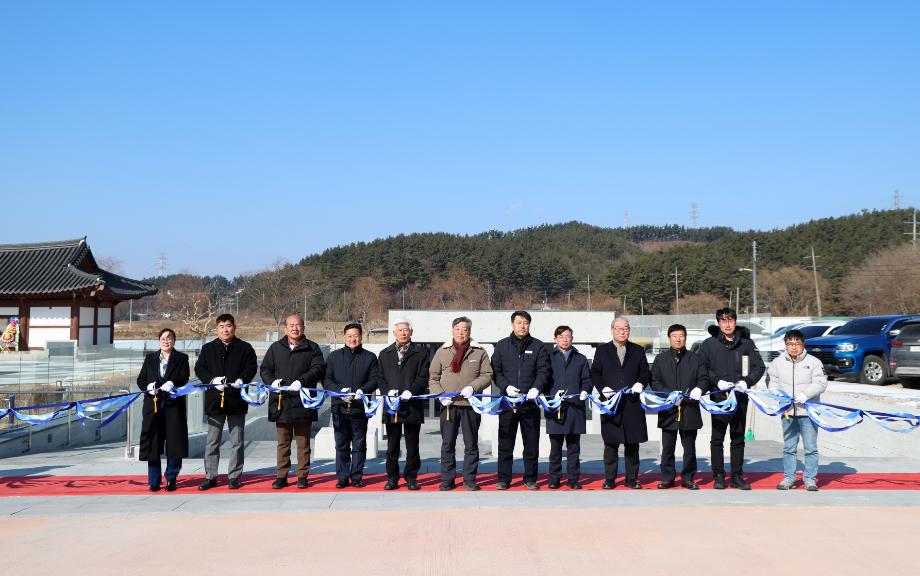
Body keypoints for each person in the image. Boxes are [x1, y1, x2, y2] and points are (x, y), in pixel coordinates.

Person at [698, 307, 766, 490]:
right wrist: (716, 381)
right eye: (723, 321)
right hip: (718, 397)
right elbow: (702, 368)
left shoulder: (746, 343)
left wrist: (747, 381)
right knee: (717, 438)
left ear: (735, 322)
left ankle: (737, 476)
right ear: (718, 323)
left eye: (730, 320)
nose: (727, 324)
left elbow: (758, 367)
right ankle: (718, 475)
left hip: (739, 397)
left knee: (737, 437)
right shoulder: (709, 344)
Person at [260, 314, 325, 490]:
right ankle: (281, 475)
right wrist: (271, 382)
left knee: (303, 442)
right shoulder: (275, 348)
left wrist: (302, 381)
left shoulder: (312, 348)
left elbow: (318, 369)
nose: (294, 328)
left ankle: (302, 476)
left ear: (303, 327)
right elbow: (265, 369)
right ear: (285, 328)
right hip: (282, 401)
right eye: (291, 325)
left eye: (298, 325)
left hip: (303, 401)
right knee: (283, 442)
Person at [429, 316, 493, 491]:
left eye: (464, 329)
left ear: (469, 332)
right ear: (452, 331)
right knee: (447, 444)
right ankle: (448, 479)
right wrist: (440, 395)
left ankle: (469, 479)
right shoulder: (442, 351)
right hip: (448, 405)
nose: (461, 333)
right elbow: (433, 377)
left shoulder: (479, 351)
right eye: (457, 329)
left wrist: (473, 387)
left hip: (470, 404)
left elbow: (487, 374)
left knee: (471, 443)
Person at [194, 314, 258, 490]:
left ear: (234, 328)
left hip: (236, 399)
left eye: (228, 326)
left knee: (237, 440)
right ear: (217, 329)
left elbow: (252, 366)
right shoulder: (208, 348)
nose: (225, 329)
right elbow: (199, 368)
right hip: (215, 399)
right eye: (221, 326)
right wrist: (211, 380)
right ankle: (210, 476)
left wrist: (241, 379)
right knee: (212, 440)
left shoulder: (245, 348)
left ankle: (235, 475)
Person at [491, 310, 550, 490]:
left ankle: (530, 478)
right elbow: (496, 371)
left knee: (531, 443)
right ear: (512, 324)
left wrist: (536, 388)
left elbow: (544, 371)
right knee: (505, 443)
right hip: (508, 403)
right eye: (519, 322)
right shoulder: (501, 346)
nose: (522, 326)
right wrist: (505, 387)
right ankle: (503, 479)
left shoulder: (539, 346)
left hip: (529, 403)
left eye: (525, 322)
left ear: (529, 324)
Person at [590, 317, 651, 489]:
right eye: (618, 328)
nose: (622, 331)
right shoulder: (602, 350)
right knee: (611, 444)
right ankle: (610, 479)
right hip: (611, 404)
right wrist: (603, 389)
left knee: (633, 444)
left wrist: (641, 383)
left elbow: (645, 372)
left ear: (629, 330)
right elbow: (595, 373)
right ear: (612, 330)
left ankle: (632, 479)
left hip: (632, 404)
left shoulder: (638, 350)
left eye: (625, 328)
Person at [767, 329, 827, 491]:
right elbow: (771, 382)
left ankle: (810, 479)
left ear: (803, 344)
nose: (793, 347)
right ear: (785, 345)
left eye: (797, 343)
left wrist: (805, 395)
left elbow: (821, 383)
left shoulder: (814, 362)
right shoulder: (777, 362)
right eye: (790, 344)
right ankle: (789, 478)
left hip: (808, 412)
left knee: (810, 448)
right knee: (789, 447)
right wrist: (779, 394)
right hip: (787, 412)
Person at [650, 324, 708, 490]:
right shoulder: (661, 359)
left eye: (681, 335)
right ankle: (667, 477)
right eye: (674, 335)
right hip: (669, 408)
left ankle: (688, 477)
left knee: (689, 447)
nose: (678, 338)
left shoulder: (695, 358)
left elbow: (703, 378)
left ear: (685, 338)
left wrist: (699, 389)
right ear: (669, 338)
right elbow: (654, 381)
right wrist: (668, 394)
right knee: (668, 446)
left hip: (689, 408)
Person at [377, 318, 430, 491]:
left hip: (412, 405)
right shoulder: (385, 353)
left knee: (412, 445)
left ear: (411, 332)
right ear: (394, 333)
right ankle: (392, 477)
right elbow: (380, 378)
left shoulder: (420, 353)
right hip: (392, 407)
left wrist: (412, 391)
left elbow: (423, 376)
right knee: (392, 445)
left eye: (406, 330)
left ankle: (411, 477)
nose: (403, 333)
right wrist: (387, 392)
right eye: (399, 330)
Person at [324, 322, 379, 489]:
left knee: (359, 443)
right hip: (339, 407)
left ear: (361, 337)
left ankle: (356, 476)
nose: (352, 339)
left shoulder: (370, 357)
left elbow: (374, 379)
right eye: (349, 336)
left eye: (356, 336)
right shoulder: (334, 357)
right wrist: (340, 391)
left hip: (359, 408)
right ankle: (342, 476)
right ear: (344, 337)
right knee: (341, 444)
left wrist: (363, 390)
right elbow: (327, 380)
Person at [136, 328, 190, 492]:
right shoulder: (150, 358)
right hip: (153, 405)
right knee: (153, 442)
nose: (166, 341)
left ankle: (171, 478)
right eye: (163, 338)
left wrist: (173, 382)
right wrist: (147, 386)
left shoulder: (182, 358)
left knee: (174, 442)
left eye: (169, 338)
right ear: (159, 341)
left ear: (174, 340)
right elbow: (141, 379)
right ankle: (153, 480)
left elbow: (184, 377)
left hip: (173, 406)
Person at [545, 325, 592, 489]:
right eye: (561, 336)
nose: (565, 339)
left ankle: (573, 479)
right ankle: (554, 478)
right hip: (555, 408)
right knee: (555, 447)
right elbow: (543, 379)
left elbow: (587, 379)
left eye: (568, 336)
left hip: (575, 408)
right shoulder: (548, 357)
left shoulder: (580, 358)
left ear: (572, 338)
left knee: (573, 448)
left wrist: (585, 391)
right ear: (555, 339)